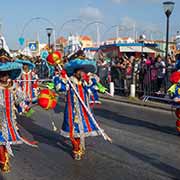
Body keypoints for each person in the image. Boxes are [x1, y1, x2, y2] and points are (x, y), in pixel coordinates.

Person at [54, 58, 107, 160]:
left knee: (83, 130)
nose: (82, 73)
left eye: (83, 71)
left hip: (84, 110)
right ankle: (76, 149)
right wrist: (62, 77)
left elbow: (93, 88)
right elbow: (59, 87)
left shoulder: (85, 82)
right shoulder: (69, 82)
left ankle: (80, 147)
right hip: (72, 111)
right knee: (74, 131)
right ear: (75, 72)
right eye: (80, 71)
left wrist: (93, 83)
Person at [0, 60, 37, 173]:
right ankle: (3, 161)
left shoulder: (14, 87)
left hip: (10, 119)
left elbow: (19, 101)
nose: (4, 76)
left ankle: (4, 158)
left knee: (7, 140)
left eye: (6, 74)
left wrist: (24, 106)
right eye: (1, 74)